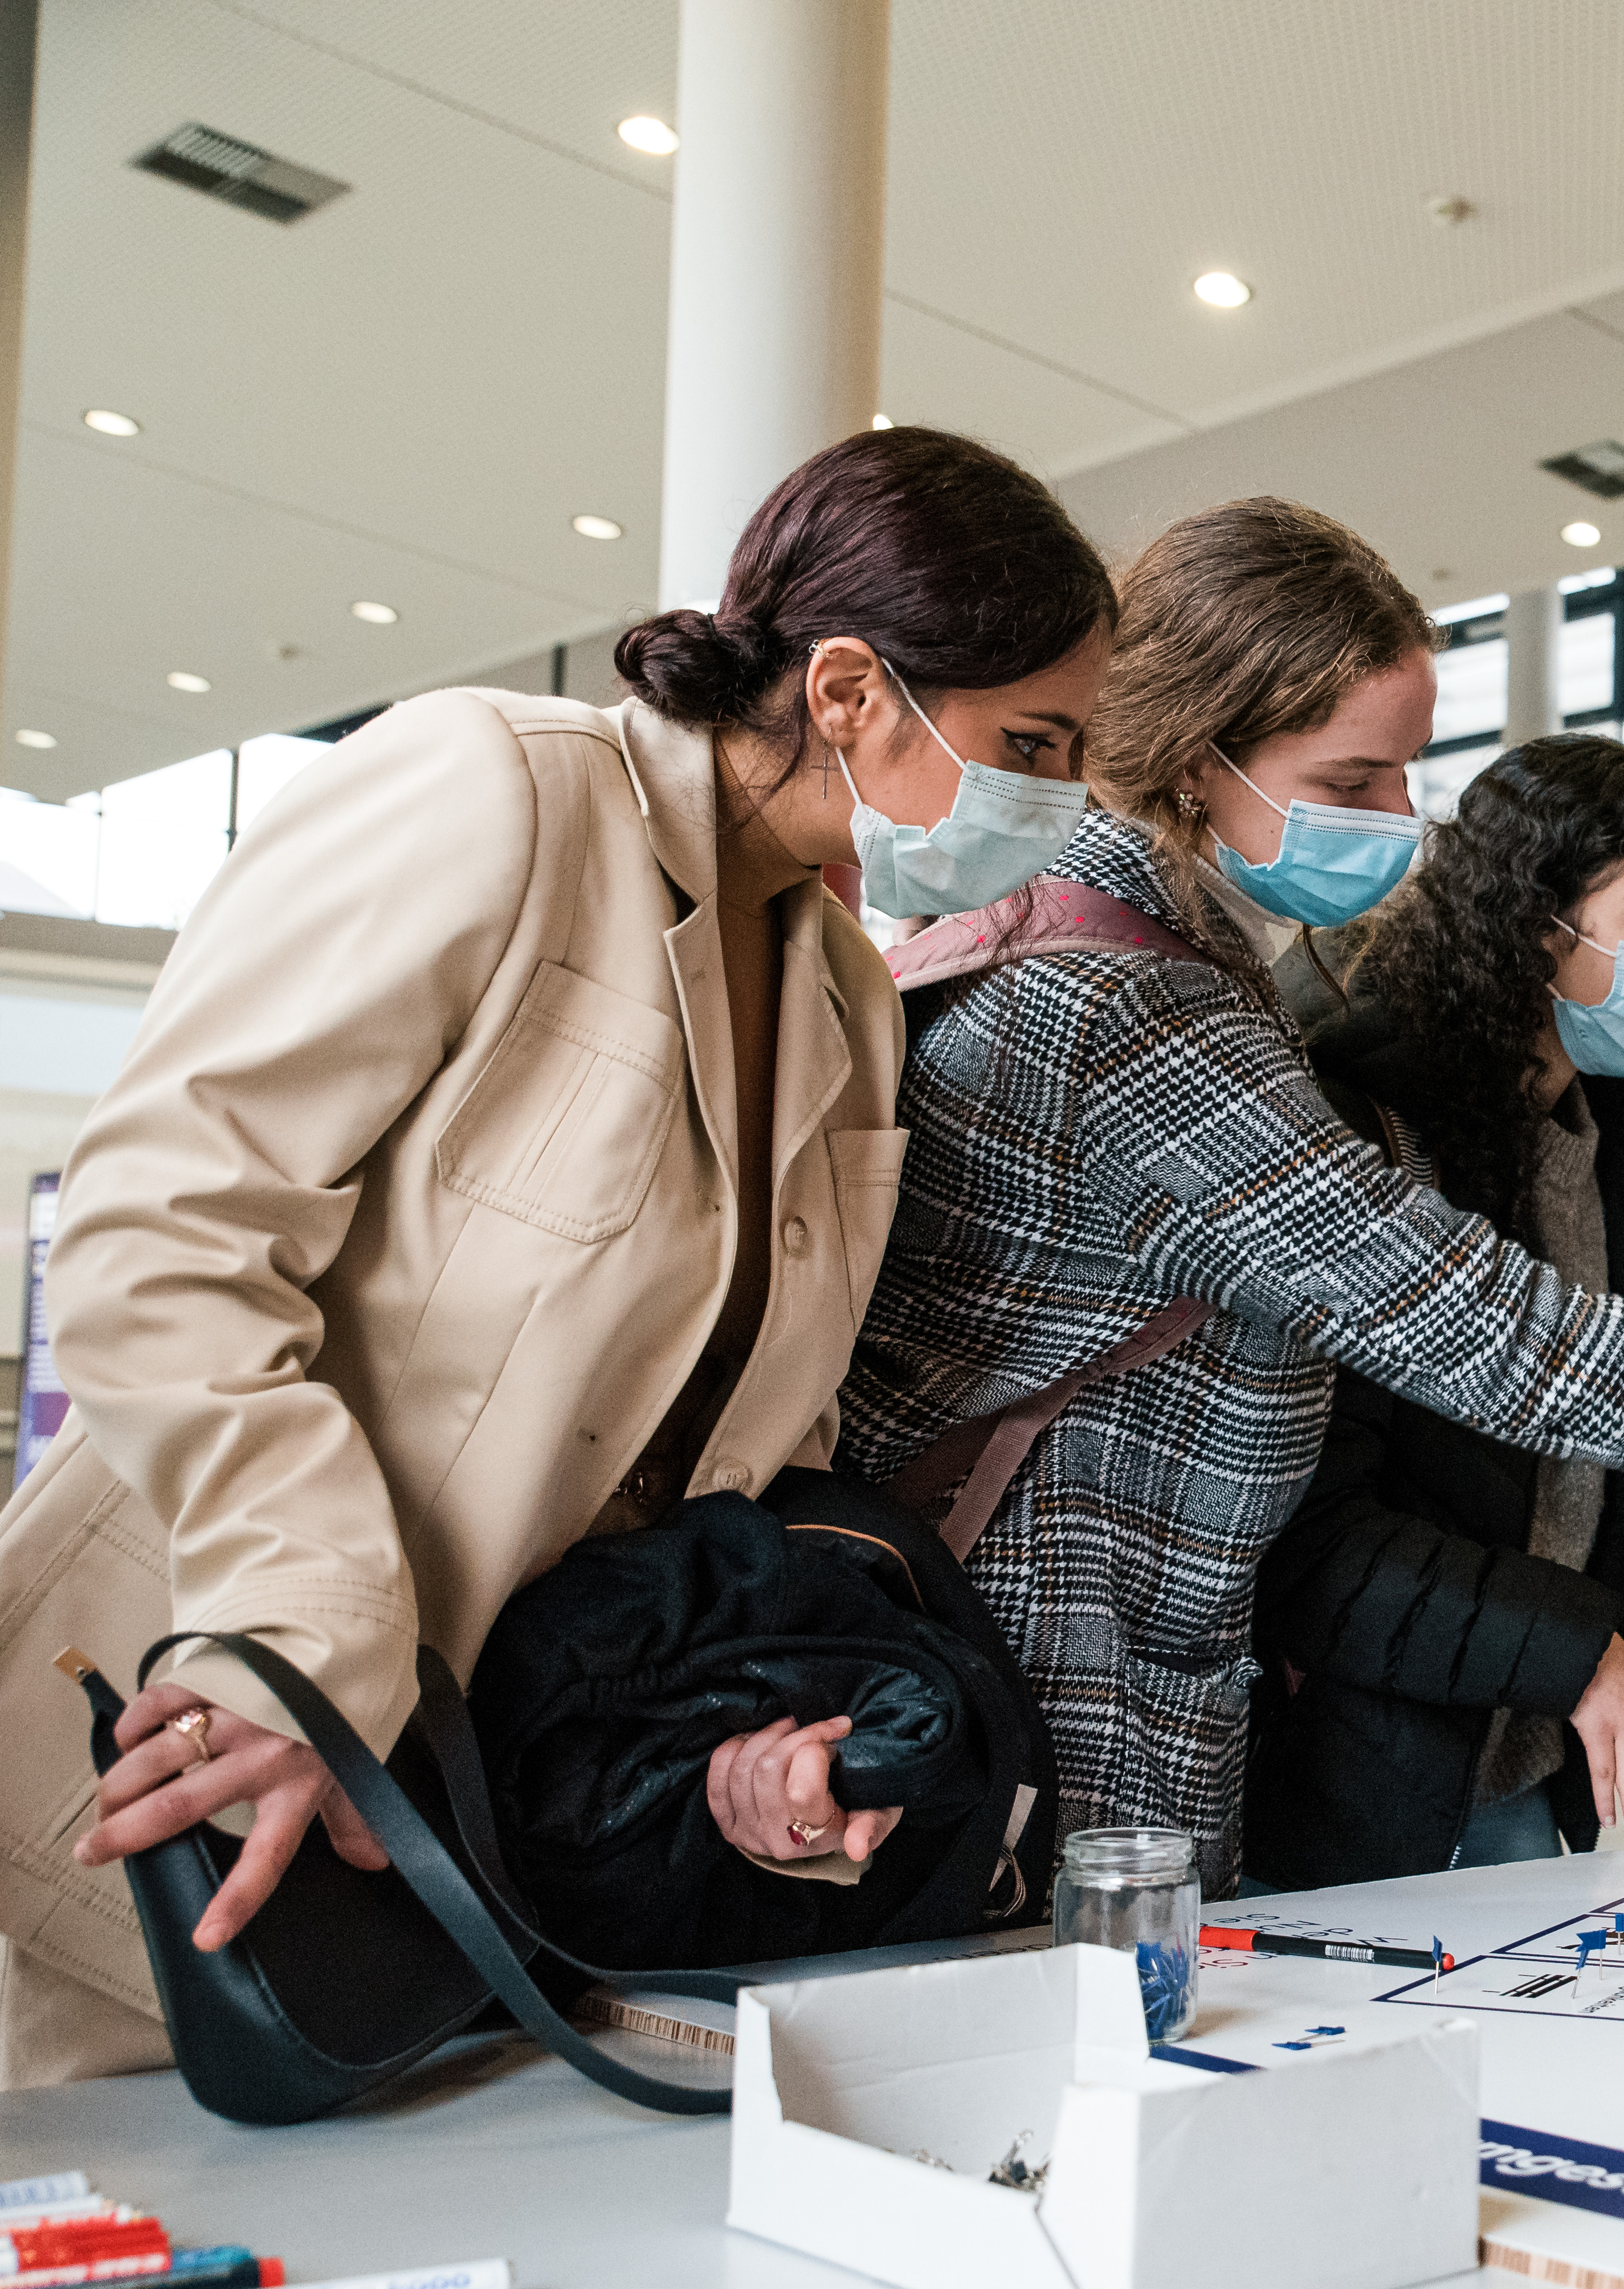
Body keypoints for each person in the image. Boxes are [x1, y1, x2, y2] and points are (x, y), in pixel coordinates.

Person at [0, 426, 1118, 2085]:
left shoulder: (847, 1000)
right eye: (1033, 742)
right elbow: (166, 1233)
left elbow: (737, 1454)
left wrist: (757, 1726)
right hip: (207, 1762)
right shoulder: (498, 789)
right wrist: (302, 1632)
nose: (1062, 801)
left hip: (502, 1830)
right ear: (847, 693)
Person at [835, 497, 1624, 1896]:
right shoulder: (1133, 1004)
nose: (1402, 820)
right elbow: (1492, 1330)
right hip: (1053, 1696)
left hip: (1065, 1671)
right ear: (1202, 760)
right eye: (1356, 777)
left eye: (1406, 773)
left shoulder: (1100, 943)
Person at [1246, 734, 1624, 1885]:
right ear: (1533, 929)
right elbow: (1314, 1541)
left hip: (1514, 1778)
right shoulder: (1364, 1141)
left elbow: (1617, 1441)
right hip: (1349, 1795)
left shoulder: (1613, 1137)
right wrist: (1572, 1649)